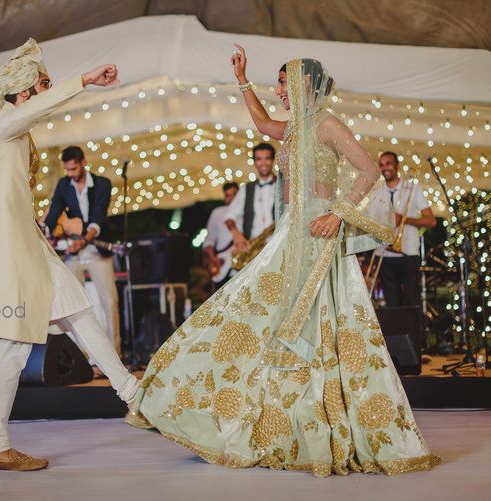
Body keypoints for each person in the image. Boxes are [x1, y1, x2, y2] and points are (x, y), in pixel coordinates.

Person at [126, 45, 440, 477]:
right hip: (291, 233)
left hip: (317, 236)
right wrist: (242, 79)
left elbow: (367, 171)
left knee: (320, 324)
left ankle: (315, 423)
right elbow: (259, 122)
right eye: (275, 84)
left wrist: (337, 213)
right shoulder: (294, 128)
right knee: (245, 310)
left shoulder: (328, 124)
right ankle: (258, 413)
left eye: (281, 82)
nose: (278, 91)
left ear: (302, 83)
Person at [0, 39, 138, 471]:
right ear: (23, 93)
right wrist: (83, 80)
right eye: (43, 84)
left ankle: (135, 396)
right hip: (4, 248)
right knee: (11, 345)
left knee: (79, 311)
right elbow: (31, 113)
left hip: (27, 243)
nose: (48, 90)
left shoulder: (15, 128)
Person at [44, 146, 120, 355]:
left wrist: (84, 240)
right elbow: (54, 212)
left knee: (109, 301)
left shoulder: (103, 184)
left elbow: (99, 217)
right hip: (73, 253)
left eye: (74, 169)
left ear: (84, 163)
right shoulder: (63, 185)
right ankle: (80, 356)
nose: (70, 174)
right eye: (67, 170)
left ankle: (115, 353)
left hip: (96, 250)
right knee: (71, 303)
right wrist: (48, 235)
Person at [375, 151, 437, 307]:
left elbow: (431, 221)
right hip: (383, 253)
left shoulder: (412, 188)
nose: (385, 168)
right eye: (381, 165)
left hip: (408, 253)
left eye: (388, 163)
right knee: (391, 303)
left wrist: (403, 219)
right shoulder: (376, 191)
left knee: (412, 301)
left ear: (397, 166)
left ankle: (414, 332)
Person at [225, 143, 277, 253]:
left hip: (278, 245)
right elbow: (229, 217)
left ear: (273, 160)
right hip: (253, 247)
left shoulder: (284, 186)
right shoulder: (246, 189)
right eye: (259, 159)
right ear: (254, 162)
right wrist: (236, 234)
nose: (263, 163)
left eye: (267, 158)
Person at [203, 182, 239, 288]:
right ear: (225, 197)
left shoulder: (246, 212)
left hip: (241, 263)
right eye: (228, 195)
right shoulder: (217, 213)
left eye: (234, 194)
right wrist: (212, 257)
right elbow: (209, 240)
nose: (232, 198)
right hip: (222, 264)